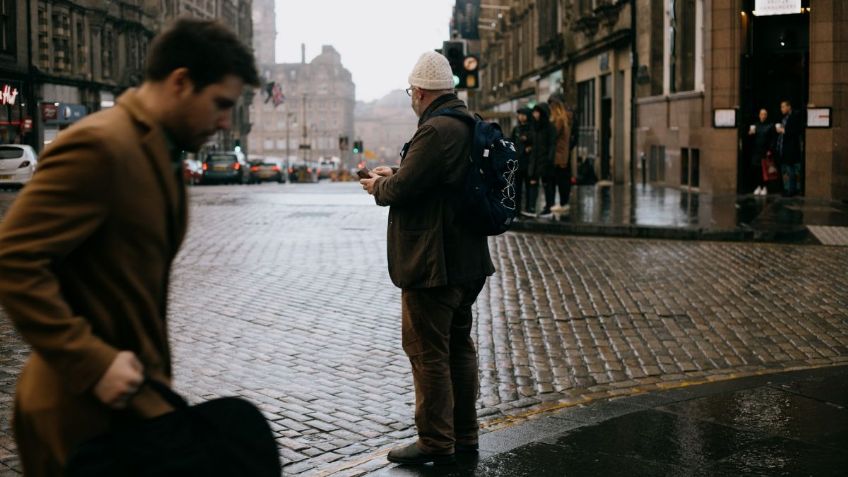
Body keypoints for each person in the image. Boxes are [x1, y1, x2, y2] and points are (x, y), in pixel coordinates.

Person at [0, 19, 259, 475]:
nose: (224, 123)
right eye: (220, 104)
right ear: (180, 81)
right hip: (75, 417)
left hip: (135, 406)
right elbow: (14, 259)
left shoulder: (159, 149)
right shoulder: (99, 144)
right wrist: (94, 362)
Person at [359, 51, 495, 466]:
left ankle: (436, 440)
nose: (411, 99)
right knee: (457, 346)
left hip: (434, 263)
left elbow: (402, 191)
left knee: (427, 351)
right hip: (467, 260)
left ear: (419, 91)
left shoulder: (435, 131)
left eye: (410, 93)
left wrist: (377, 186)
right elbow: (426, 181)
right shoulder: (466, 125)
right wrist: (395, 175)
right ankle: (464, 435)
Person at [525, 103, 556, 216]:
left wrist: (550, 159)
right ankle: (532, 207)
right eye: (534, 112)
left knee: (547, 184)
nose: (535, 114)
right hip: (535, 159)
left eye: (537, 112)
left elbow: (552, 144)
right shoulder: (534, 126)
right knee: (533, 182)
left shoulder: (550, 127)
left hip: (545, 160)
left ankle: (549, 206)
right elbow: (532, 140)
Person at [547, 94, 575, 212]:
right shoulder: (565, 119)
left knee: (560, 180)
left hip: (559, 155)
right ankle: (564, 203)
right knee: (562, 179)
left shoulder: (558, 120)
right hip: (562, 154)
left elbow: (553, 136)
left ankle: (563, 203)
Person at [776, 99, 803, 196]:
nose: (781, 109)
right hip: (783, 148)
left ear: (789, 107)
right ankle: (787, 189)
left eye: (783, 106)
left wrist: (784, 131)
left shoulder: (794, 116)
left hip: (791, 148)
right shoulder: (784, 118)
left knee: (790, 169)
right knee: (785, 170)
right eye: (781, 107)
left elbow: (797, 131)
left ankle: (791, 190)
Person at [748, 108, 776, 196]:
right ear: (759, 115)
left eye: (765, 114)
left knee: (765, 170)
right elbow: (751, 139)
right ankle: (758, 186)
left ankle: (765, 187)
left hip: (765, 151)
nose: (763, 116)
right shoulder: (755, 125)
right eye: (761, 114)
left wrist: (770, 150)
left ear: (767, 116)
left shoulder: (770, 126)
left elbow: (773, 139)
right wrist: (750, 134)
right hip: (756, 151)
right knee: (756, 169)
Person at [511, 106, 533, 214]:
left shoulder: (532, 129)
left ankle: (529, 208)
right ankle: (517, 209)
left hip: (528, 162)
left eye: (523, 115)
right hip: (518, 162)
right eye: (519, 115)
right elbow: (511, 142)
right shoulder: (516, 129)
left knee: (529, 187)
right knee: (517, 187)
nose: (521, 117)